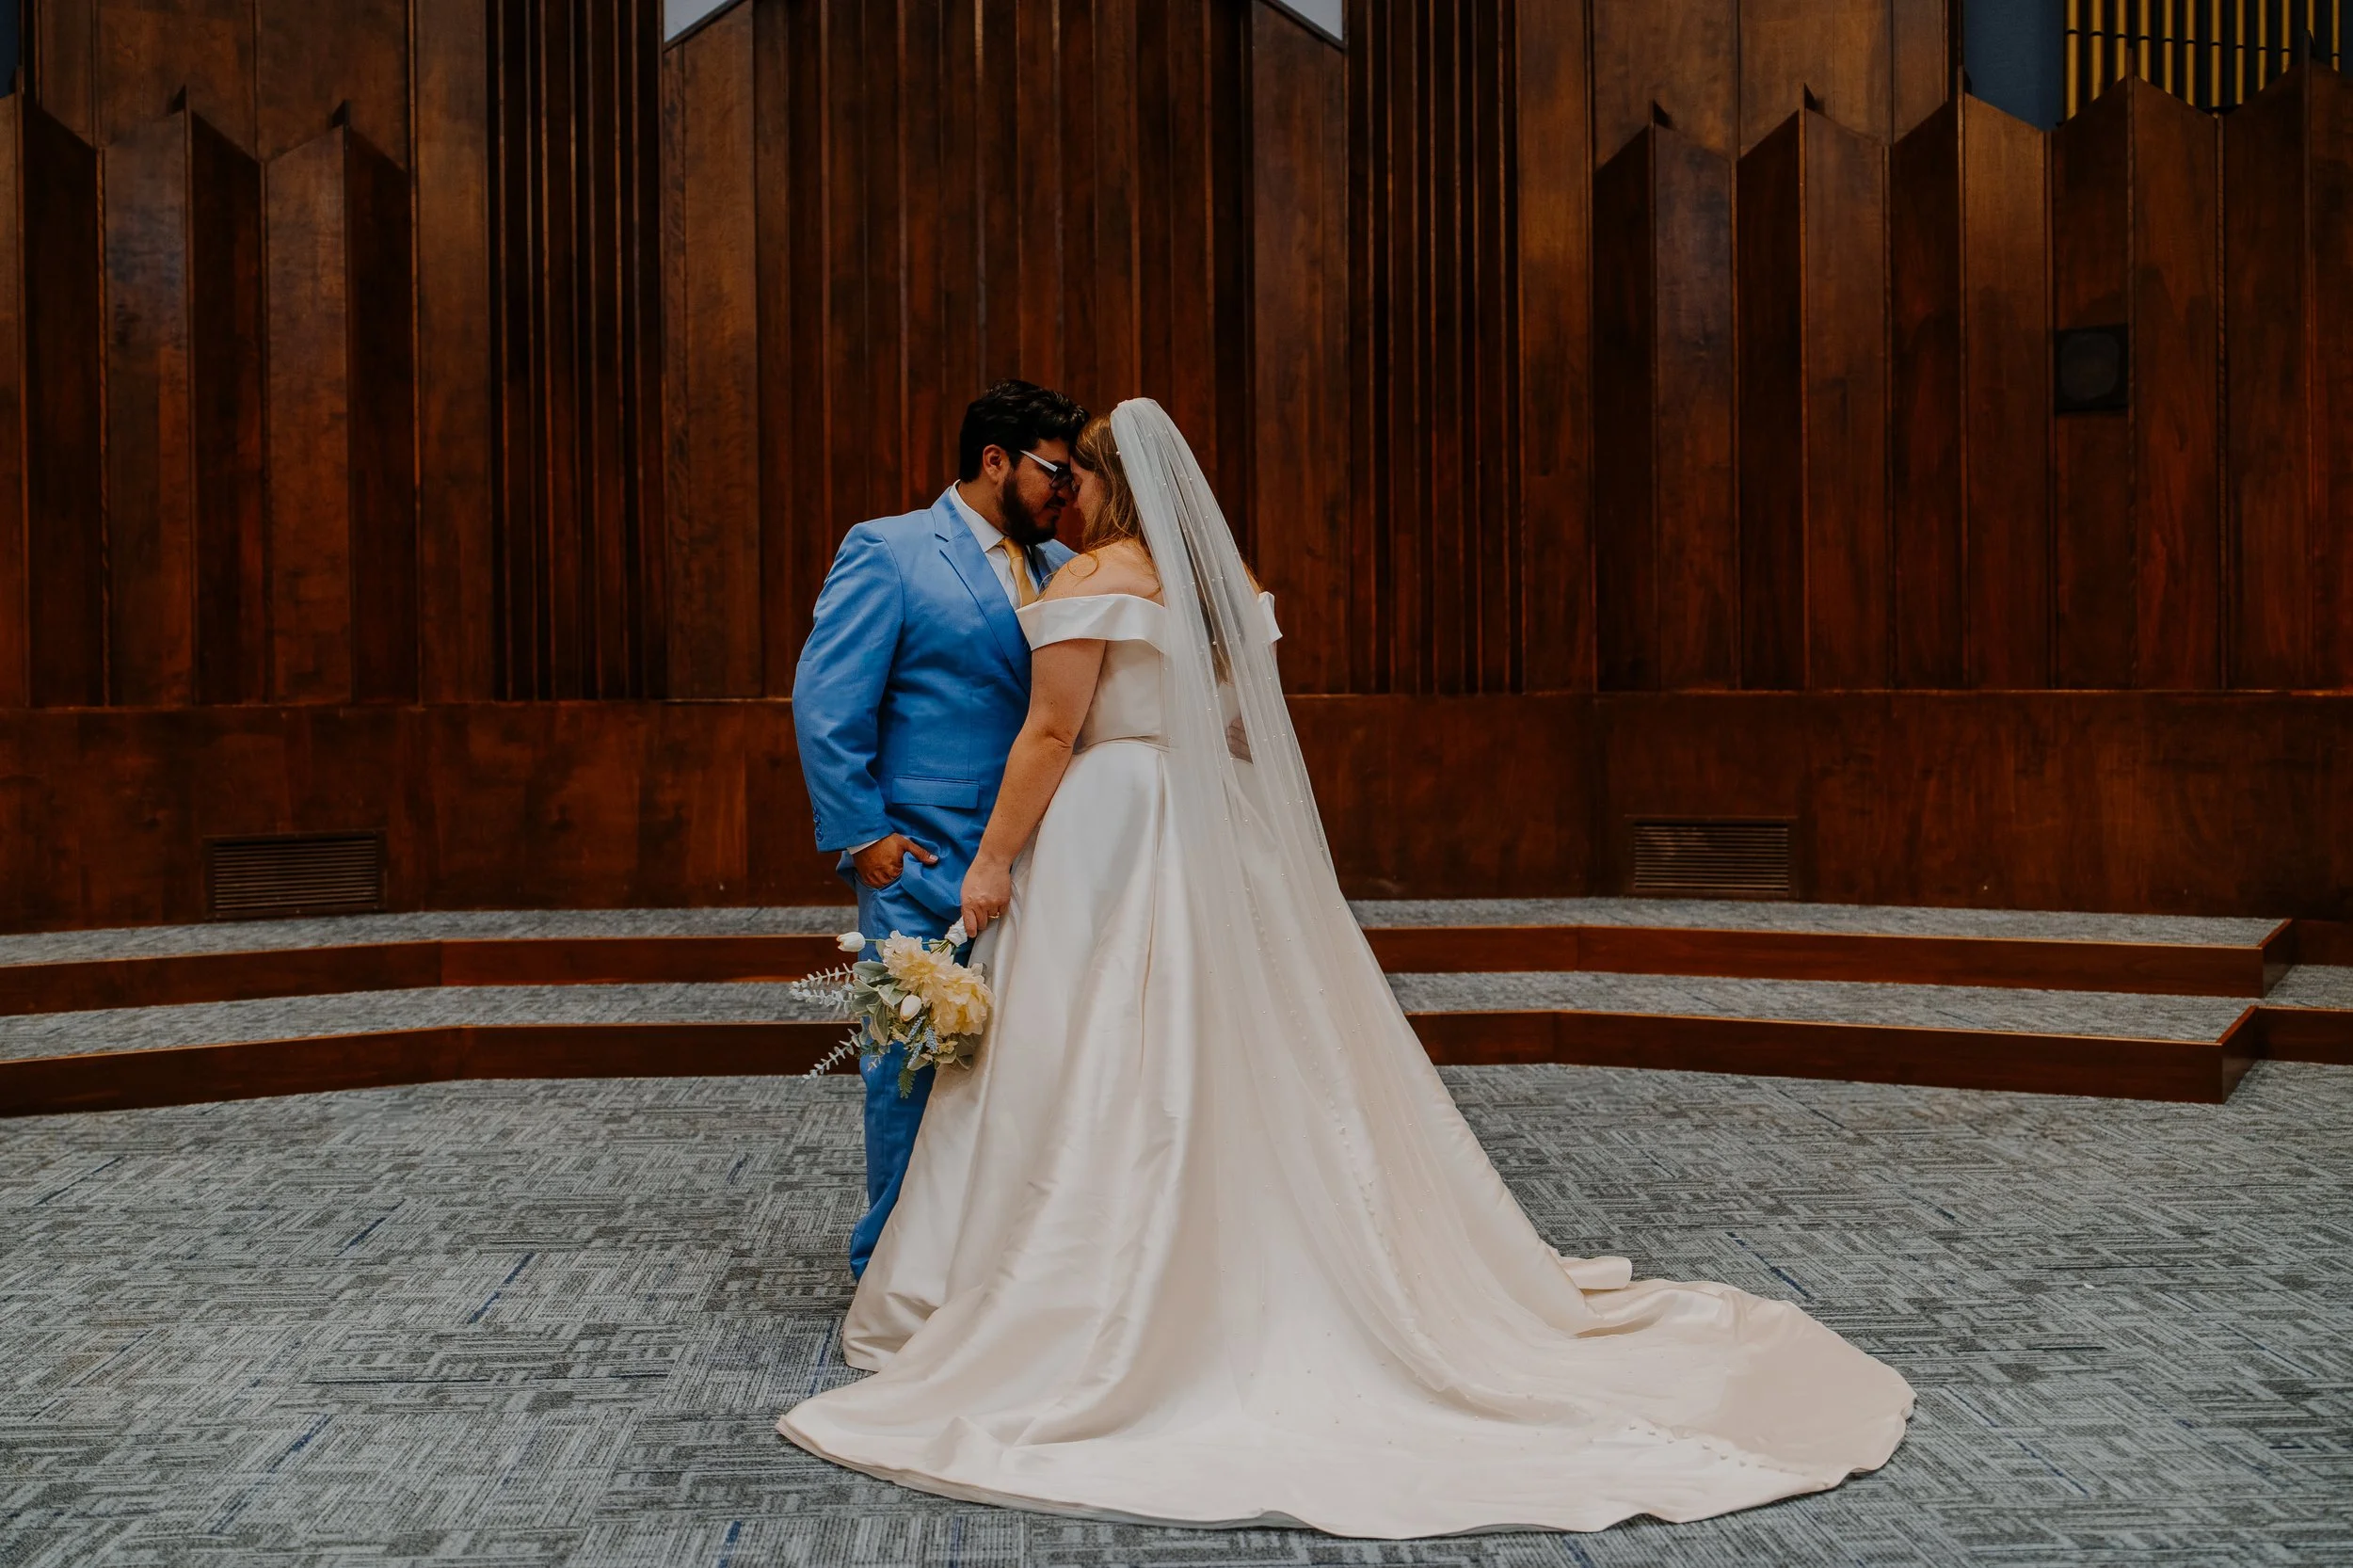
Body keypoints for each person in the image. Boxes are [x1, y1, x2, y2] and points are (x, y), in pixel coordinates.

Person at [780, 399, 1913, 1536]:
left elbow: (1048, 736)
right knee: (1234, 1045)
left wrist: (990, 866)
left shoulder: (1085, 582)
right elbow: (1230, 727)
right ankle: (1248, 1248)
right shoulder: (1226, 590)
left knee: (1097, 1053)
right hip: (1216, 828)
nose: (1062, 489)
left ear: (1106, 484)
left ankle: (1073, 1284)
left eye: (1076, 476)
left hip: (1109, 828)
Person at [791, 378, 1086, 1277]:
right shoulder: (889, 550)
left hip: (1033, 862)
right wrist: (863, 833)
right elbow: (825, 700)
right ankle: (888, 1268)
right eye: (1055, 475)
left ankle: (990, 1264)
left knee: (1018, 1076)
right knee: (911, 1069)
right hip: (916, 862)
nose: (1066, 495)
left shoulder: (1058, 569)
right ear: (995, 459)